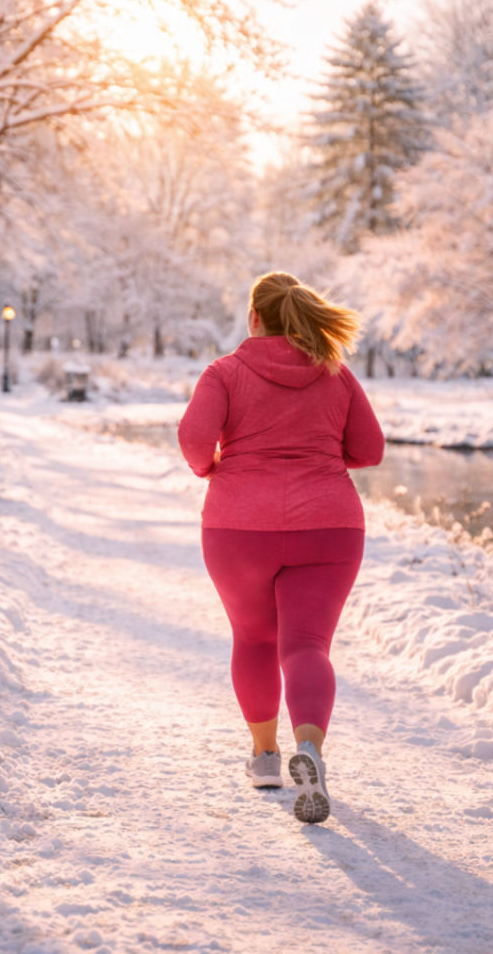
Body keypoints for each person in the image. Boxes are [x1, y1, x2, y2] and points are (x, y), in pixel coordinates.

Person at [178, 272, 384, 823]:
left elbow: (195, 443)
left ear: (254, 318)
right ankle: (311, 748)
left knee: (254, 637)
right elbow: (370, 448)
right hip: (329, 526)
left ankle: (265, 758)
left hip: (238, 526)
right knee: (307, 644)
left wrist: (214, 468)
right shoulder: (336, 375)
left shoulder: (224, 373)